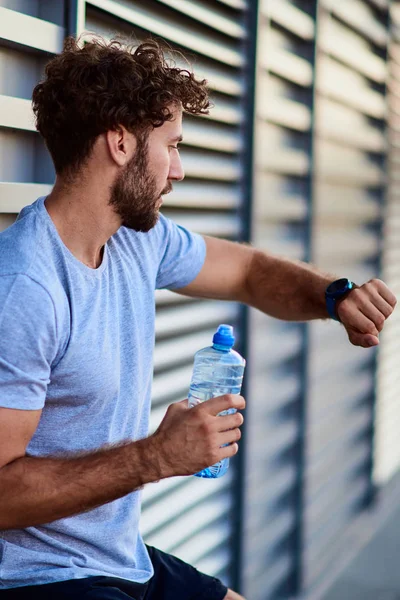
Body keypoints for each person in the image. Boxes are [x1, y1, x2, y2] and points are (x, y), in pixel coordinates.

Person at [0, 36, 396, 600]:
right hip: (41, 579)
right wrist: (156, 456)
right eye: (171, 145)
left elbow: (250, 272)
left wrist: (334, 297)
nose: (179, 170)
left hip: (119, 558)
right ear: (119, 143)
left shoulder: (137, 240)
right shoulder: (25, 287)